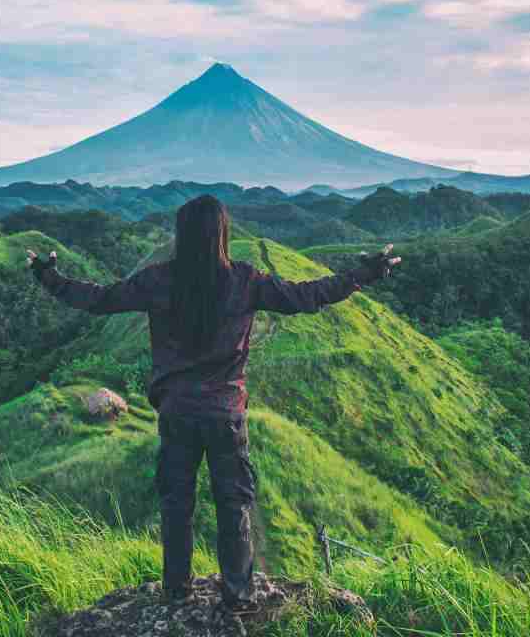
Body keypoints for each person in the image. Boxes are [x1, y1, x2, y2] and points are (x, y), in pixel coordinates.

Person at [25, 194, 399, 612]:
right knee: (234, 504)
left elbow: (99, 299)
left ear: (181, 235)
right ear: (223, 233)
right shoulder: (245, 280)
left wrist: (48, 278)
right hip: (225, 414)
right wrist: (362, 274)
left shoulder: (159, 280)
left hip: (178, 412)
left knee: (176, 503)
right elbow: (306, 296)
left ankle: (176, 590)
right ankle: (238, 595)